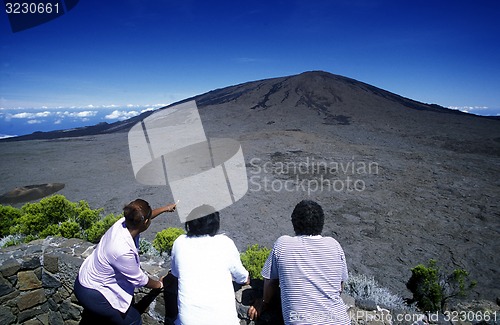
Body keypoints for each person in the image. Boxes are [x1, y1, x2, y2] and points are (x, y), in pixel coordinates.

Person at [74, 199, 177, 325]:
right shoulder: (122, 250)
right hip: (94, 294)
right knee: (133, 320)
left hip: (83, 281)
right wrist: (160, 285)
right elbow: (139, 280)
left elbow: (145, 217)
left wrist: (165, 208)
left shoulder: (123, 223)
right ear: (145, 222)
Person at [248, 200, 351, 325]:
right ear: (321, 223)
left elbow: (270, 281)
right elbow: (339, 287)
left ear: (294, 223)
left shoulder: (283, 244)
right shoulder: (334, 245)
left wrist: (264, 302)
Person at [170, 205, 250, 325]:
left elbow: (175, 273)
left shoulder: (180, 242)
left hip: (189, 321)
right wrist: (247, 279)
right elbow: (242, 277)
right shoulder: (225, 243)